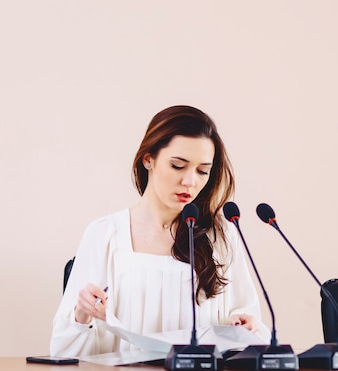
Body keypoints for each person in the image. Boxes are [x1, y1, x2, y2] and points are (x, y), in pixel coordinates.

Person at [50, 105, 270, 358]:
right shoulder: (104, 234)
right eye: (178, 166)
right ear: (148, 159)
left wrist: (245, 328)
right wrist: (82, 314)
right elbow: (62, 353)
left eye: (202, 171)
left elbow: (255, 332)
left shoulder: (221, 236)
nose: (190, 182)